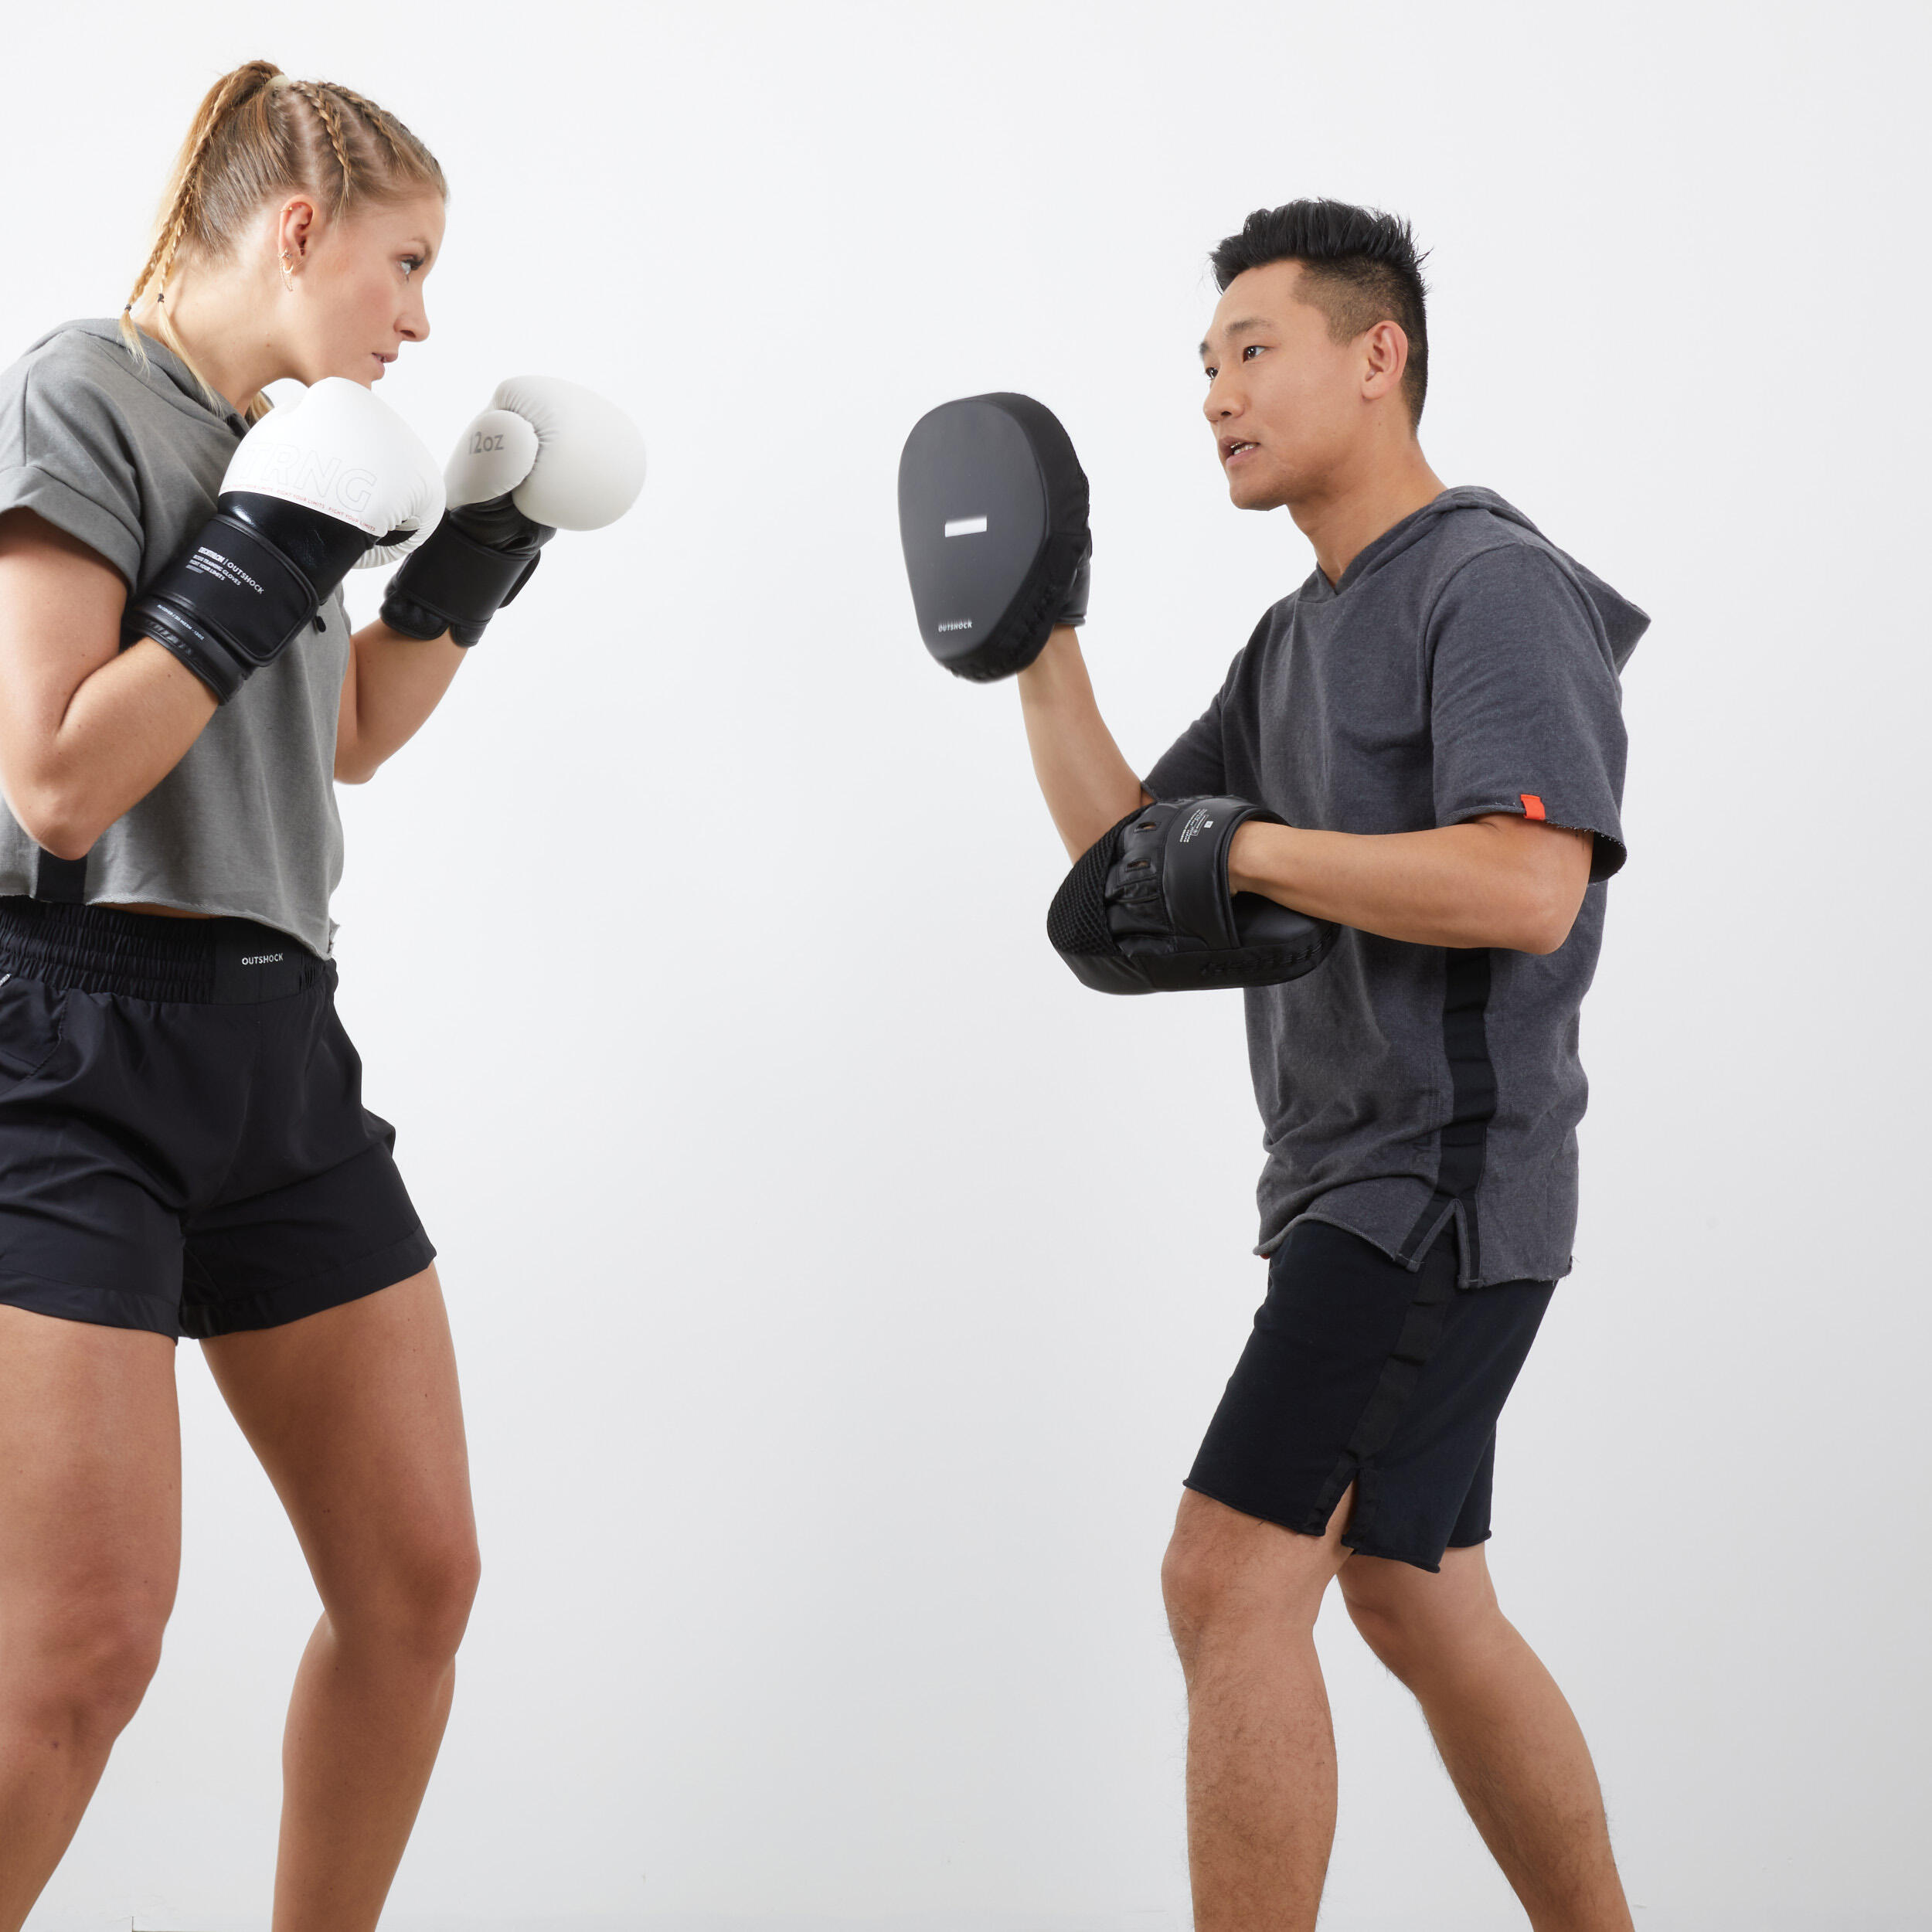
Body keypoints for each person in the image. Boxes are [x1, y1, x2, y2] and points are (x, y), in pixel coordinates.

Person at [0, 60, 638, 1932]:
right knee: (88, 1644)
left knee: (415, 1580)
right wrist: (270, 544)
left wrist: (472, 557)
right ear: (297, 234)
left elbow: (339, 732)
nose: (422, 321)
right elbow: (51, 778)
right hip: (69, 1044)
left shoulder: (301, 440)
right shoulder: (88, 393)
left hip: (278, 1049)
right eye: (403, 265)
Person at [1012, 201, 1647, 1930]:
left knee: (1223, 1577)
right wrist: (1035, 636)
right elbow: (1140, 862)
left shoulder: (1486, 584)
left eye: (1250, 350)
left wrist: (1261, 853)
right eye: (1201, 366)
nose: (1213, 393)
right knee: (1416, 1592)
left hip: (1431, 1175)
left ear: (1378, 358)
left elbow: (1523, 884)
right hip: (1349, 1175)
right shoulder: (1296, 636)